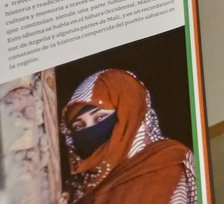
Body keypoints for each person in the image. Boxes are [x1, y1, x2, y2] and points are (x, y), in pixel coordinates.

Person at [60, 69, 196, 203]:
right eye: (79, 126)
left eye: (100, 117)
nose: (89, 132)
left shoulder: (165, 162)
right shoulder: (77, 188)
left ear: (129, 114)